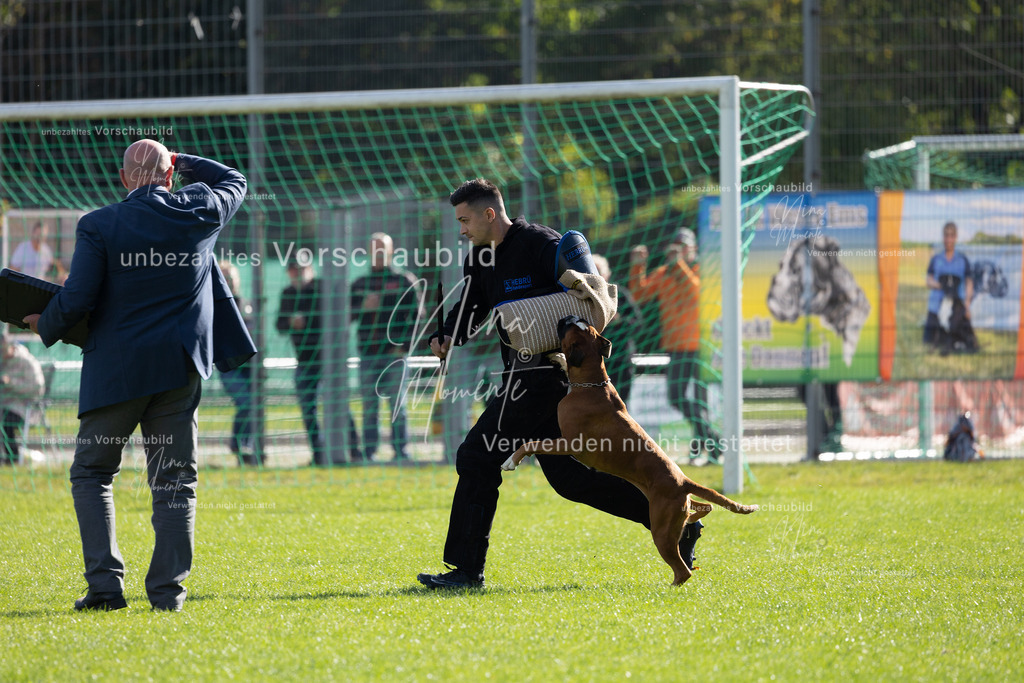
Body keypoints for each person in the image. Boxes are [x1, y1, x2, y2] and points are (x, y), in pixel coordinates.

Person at [416, 178, 705, 590]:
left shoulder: (543, 244)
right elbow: (473, 305)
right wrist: (447, 333)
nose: (461, 229)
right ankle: (678, 520)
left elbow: (589, 301)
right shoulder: (478, 258)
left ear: (490, 214)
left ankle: (466, 572)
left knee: (477, 458)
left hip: (547, 377)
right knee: (574, 480)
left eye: (465, 220)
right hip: (518, 376)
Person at [22, 140, 251, 612]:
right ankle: (168, 595)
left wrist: (41, 322)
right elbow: (236, 180)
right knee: (175, 483)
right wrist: (181, 160)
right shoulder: (200, 209)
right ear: (170, 177)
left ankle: (106, 589)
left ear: (124, 179)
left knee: (92, 474)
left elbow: (78, 298)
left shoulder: (99, 224)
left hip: (116, 373)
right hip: (177, 371)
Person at [630, 228, 722, 462]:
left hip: (700, 346)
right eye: (675, 248)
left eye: (684, 248)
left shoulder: (701, 271)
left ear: (693, 249)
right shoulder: (663, 273)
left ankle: (704, 449)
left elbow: (695, 292)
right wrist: (638, 266)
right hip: (677, 346)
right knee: (677, 397)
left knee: (699, 401)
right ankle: (714, 442)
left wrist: (679, 263)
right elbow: (639, 294)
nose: (679, 253)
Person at [276, 257, 362, 465]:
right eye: (293, 270)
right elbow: (280, 324)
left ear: (310, 268)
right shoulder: (288, 294)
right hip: (304, 361)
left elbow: (340, 316)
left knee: (339, 405)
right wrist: (291, 322)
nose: (298, 273)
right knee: (308, 409)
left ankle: (354, 450)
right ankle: (319, 454)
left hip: (328, 360)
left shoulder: (323, 288)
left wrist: (306, 320)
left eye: (301, 269)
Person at [350, 233, 424, 462]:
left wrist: (404, 347)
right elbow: (346, 317)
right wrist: (363, 307)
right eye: (375, 249)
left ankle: (400, 452)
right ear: (368, 253)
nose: (379, 253)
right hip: (368, 355)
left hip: (395, 356)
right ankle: (369, 452)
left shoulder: (405, 280)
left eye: (383, 248)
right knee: (369, 406)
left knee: (397, 406)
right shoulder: (360, 284)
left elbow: (419, 318)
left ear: (392, 252)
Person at [219, 261, 259, 465]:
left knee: (253, 405)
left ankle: (247, 448)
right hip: (230, 366)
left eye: (231, 277)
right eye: (224, 277)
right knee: (246, 403)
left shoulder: (247, 303)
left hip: (251, 367)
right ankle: (238, 444)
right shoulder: (217, 303)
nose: (229, 281)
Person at [592, 253, 641, 404]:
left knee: (620, 409)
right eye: (592, 271)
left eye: (599, 272)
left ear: (607, 274)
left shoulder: (621, 295)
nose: (596, 276)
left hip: (621, 362)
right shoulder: (581, 297)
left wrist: (619, 321)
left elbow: (638, 324)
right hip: (594, 364)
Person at [923, 221, 977, 354]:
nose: (948, 239)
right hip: (937, 306)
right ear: (943, 237)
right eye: (946, 236)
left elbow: (969, 282)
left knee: (960, 334)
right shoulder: (936, 259)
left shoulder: (962, 259)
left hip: (956, 305)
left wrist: (967, 305)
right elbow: (928, 280)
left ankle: (954, 341)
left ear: (956, 237)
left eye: (951, 236)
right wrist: (939, 285)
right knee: (928, 340)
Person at [1, 328, 46, 464]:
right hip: (5, 404)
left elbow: (36, 388)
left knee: (5, 420)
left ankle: (12, 459)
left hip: (26, 408)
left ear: (9, 346)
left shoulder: (27, 362)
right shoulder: (3, 363)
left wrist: (11, 382)